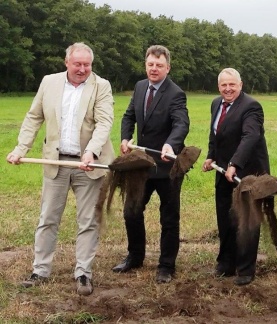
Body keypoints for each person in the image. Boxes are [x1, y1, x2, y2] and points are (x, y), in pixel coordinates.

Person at [6, 42, 115, 296]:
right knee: (48, 218)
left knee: (88, 221)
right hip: (55, 162)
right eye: (77, 64)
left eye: (87, 64)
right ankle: (40, 271)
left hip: (87, 164)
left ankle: (83, 273)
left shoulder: (101, 86)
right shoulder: (49, 82)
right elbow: (34, 117)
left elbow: (104, 122)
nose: (82, 69)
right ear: (66, 62)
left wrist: (91, 151)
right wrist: (21, 148)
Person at [112, 45, 190, 284]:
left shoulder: (175, 93)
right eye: (150, 64)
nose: (154, 69)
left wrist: (170, 144)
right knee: (131, 212)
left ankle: (166, 266)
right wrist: (125, 138)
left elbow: (181, 124)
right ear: (145, 64)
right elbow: (129, 116)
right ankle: (135, 257)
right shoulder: (139, 87)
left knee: (168, 218)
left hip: (167, 168)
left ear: (167, 67)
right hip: (142, 167)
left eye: (159, 65)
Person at [202, 68, 270, 286]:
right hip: (223, 173)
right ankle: (226, 263)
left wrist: (235, 164)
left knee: (247, 221)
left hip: (247, 173)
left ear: (240, 85)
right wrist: (211, 157)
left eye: (232, 84)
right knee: (225, 219)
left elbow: (250, 136)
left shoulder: (251, 107)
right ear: (218, 86)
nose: (228, 89)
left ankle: (246, 269)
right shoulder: (216, 104)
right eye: (223, 85)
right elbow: (215, 134)